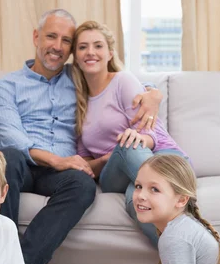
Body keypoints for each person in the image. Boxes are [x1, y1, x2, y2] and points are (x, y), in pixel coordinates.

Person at [0, 9, 162, 264]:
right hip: (21, 164)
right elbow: (12, 138)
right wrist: (56, 159)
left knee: (83, 185)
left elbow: (119, 77)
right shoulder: (7, 86)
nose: (57, 46)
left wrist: (153, 93)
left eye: (66, 40)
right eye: (51, 37)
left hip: (58, 173)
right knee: (6, 158)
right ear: (36, 37)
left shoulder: (79, 75)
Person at [72, 20, 189, 248]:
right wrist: (110, 156)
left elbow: (151, 132)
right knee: (127, 146)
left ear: (110, 53)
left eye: (98, 46)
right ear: (75, 56)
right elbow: (86, 165)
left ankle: (188, 257)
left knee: (135, 200)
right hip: (114, 173)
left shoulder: (122, 81)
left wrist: (138, 139)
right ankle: (178, 197)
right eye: (83, 47)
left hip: (163, 157)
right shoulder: (77, 100)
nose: (90, 52)